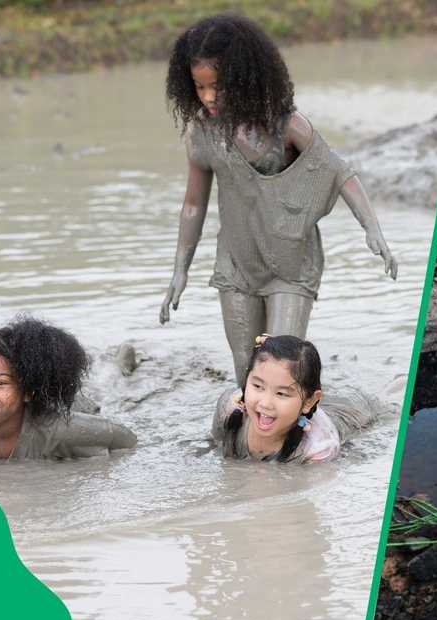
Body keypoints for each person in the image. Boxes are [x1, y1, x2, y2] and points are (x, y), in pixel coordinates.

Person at [159, 14, 399, 387]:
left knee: (279, 368)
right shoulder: (200, 132)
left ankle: (304, 423)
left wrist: (374, 230)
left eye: (217, 87)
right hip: (237, 262)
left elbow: (339, 172)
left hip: (290, 261)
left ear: (243, 78)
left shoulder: (283, 124)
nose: (207, 97)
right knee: (247, 371)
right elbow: (193, 204)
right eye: (199, 86)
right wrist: (179, 269)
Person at [0, 317, 137, 461]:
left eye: (1, 383)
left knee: (106, 383)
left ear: (28, 391)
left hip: (78, 404)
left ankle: (119, 363)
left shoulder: (60, 430)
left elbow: (127, 439)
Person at [211, 334, 386, 463]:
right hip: (304, 407)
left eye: (281, 393)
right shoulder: (228, 408)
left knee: (384, 403)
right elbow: (214, 447)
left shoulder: (319, 447)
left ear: (310, 401)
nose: (265, 403)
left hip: (349, 414)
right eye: (257, 386)